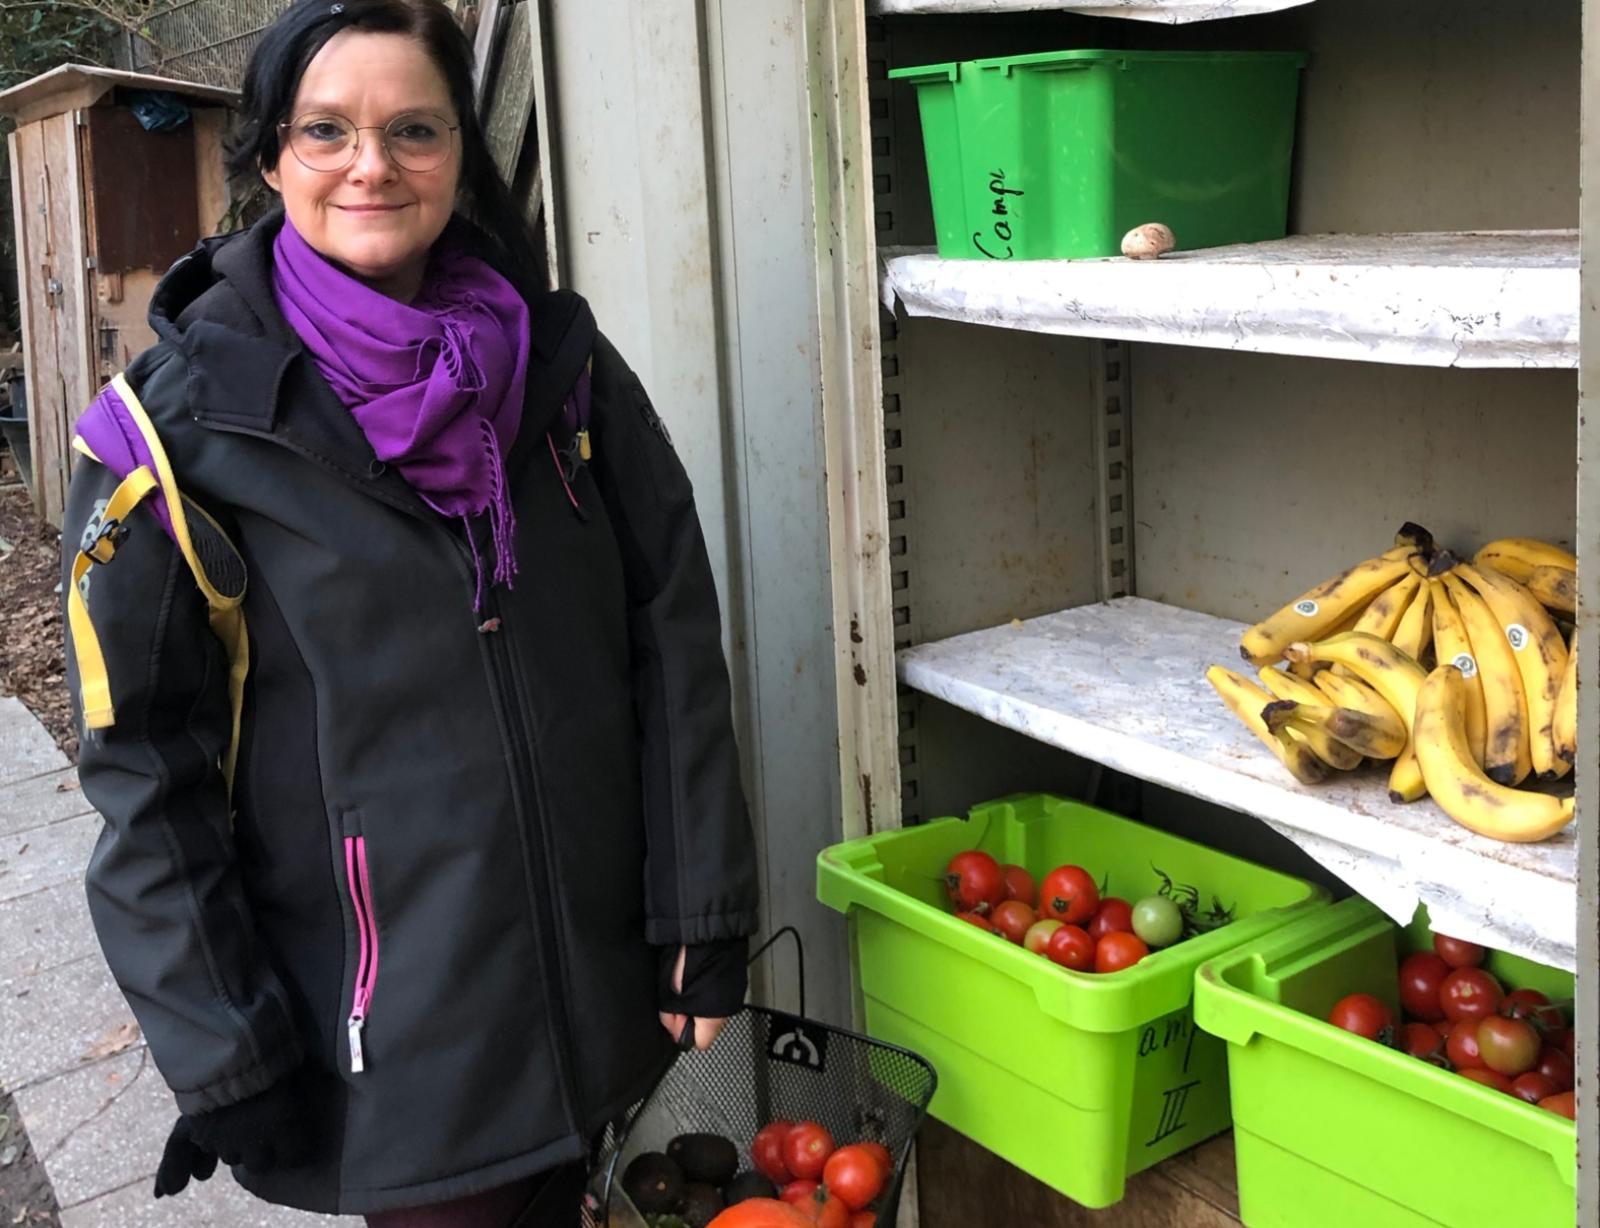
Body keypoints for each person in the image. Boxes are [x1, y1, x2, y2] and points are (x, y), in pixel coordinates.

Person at [58, 1, 760, 1223]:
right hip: (393, 1039)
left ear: (458, 156)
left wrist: (699, 911)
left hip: (597, 984)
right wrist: (222, 1044)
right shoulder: (172, 435)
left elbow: (671, 637)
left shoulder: (562, 370)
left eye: (414, 129)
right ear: (271, 157)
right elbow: (142, 765)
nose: (371, 164)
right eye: (326, 129)